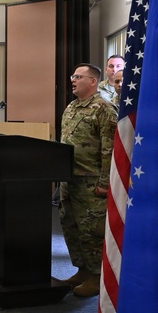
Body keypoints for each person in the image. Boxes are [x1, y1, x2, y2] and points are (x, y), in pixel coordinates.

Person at [58, 63, 117, 298]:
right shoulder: (71, 107)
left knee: (92, 231)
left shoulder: (104, 109)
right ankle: (82, 270)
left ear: (93, 81)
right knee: (71, 226)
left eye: (79, 77)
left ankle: (97, 276)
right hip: (69, 179)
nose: (73, 79)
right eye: (73, 76)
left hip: (91, 181)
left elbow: (109, 149)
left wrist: (105, 181)